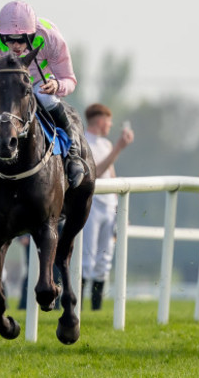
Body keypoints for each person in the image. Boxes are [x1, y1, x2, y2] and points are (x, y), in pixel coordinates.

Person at [0, 0, 86, 188]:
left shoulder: (50, 36)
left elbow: (69, 79)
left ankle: (73, 153)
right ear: (1, 35)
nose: (16, 45)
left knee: (47, 99)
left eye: (22, 40)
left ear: (32, 34)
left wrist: (56, 84)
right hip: (5, 86)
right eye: (9, 39)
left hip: (39, 83)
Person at [81, 103, 134, 310]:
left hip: (108, 204)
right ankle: (78, 306)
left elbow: (111, 176)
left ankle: (96, 307)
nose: (111, 125)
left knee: (104, 258)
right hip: (92, 203)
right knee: (87, 256)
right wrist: (119, 148)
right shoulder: (85, 142)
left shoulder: (106, 144)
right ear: (100, 120)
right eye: (109, 121)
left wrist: (119, 210)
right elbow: (95, 172)